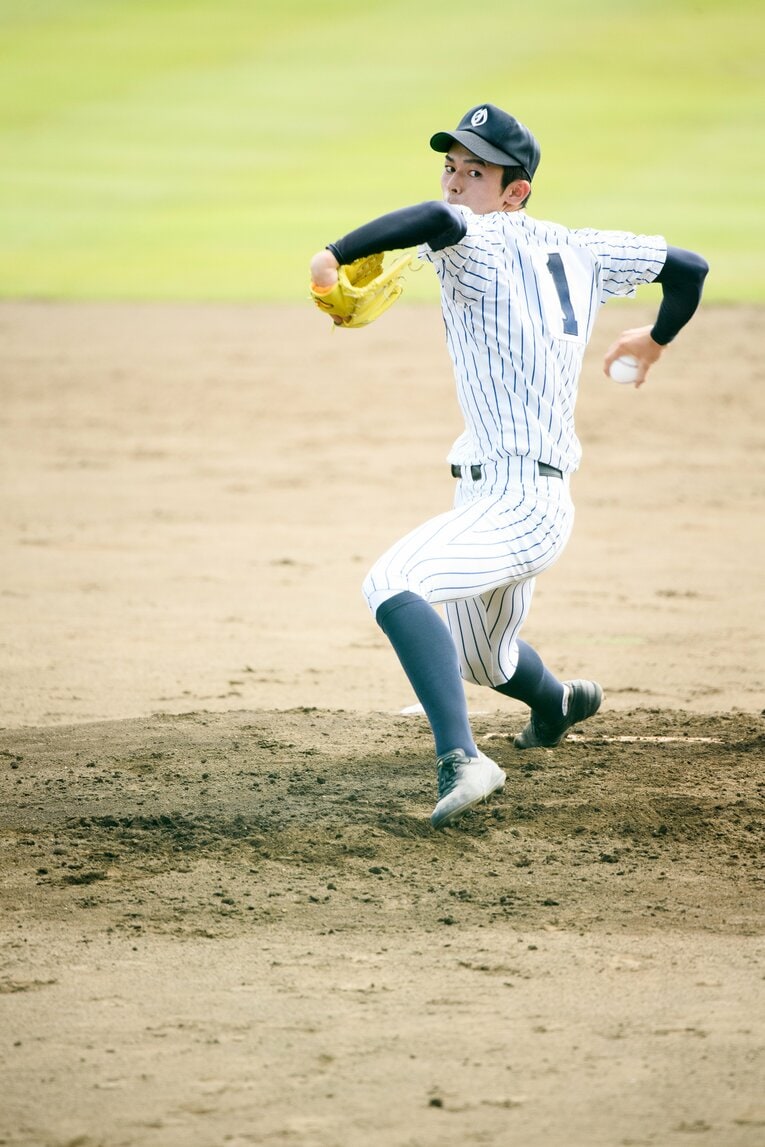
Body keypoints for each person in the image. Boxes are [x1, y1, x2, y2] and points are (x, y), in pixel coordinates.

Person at [309, 103, 708, 830]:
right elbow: (687, 267)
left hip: (519, 502)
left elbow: (437, 222)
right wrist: (653, 338)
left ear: (514, 192)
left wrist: (333, 253)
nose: (457, 182)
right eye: (451, 166)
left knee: (393, 581)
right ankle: (555, 702)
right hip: (510, 499)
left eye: (476, 172)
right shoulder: (580, 247)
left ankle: (463, 757)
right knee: (482, 660)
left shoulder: (476, 238)